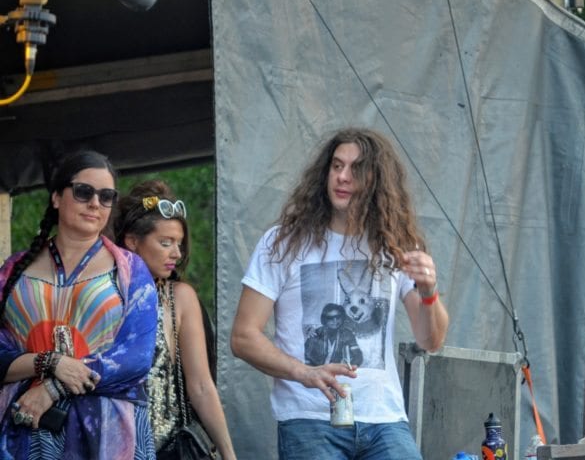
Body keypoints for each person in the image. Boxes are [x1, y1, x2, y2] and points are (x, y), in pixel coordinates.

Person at [231, 127, 449, 459]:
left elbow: (431, 340)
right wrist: (304, 372)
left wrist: (429, 291)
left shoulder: (397, 243)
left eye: (355, 169)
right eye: (336, 166)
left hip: (384, 420)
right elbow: (243, 337)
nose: (343, 177)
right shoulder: (283, 242)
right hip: (310, 419)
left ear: (377, 181)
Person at [0, 150, 158, 459]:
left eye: (106, 196)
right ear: (57, 197)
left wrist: (52, 388)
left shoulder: (130, 270)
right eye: (84, 192)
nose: (95, 203)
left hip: (106, 431)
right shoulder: (14, 269)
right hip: (23, 424)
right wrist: (49, 362)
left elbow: (135, 358)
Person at [114, 179, 237, 460]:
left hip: (169, 449)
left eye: (179, 244)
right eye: (165, 242)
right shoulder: (104, 296)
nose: (177, 254)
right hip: (111, 444)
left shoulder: (178, 297)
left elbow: (202, 386)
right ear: (132, 241)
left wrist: (229, 455)